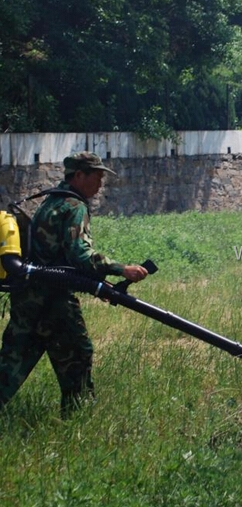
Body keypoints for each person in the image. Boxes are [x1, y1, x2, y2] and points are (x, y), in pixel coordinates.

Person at [0, 152, 149, 417]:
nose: (100, 184)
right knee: (78, 357)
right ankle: (78, 419)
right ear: (79, 176)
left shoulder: (50, 202)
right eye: (97, 177)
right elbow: (80, 255)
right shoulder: (74, 206)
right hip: (55, 302)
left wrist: (98, 284)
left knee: (12, 364)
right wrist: (120, 269)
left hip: (27, 298)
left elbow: (59, 257)